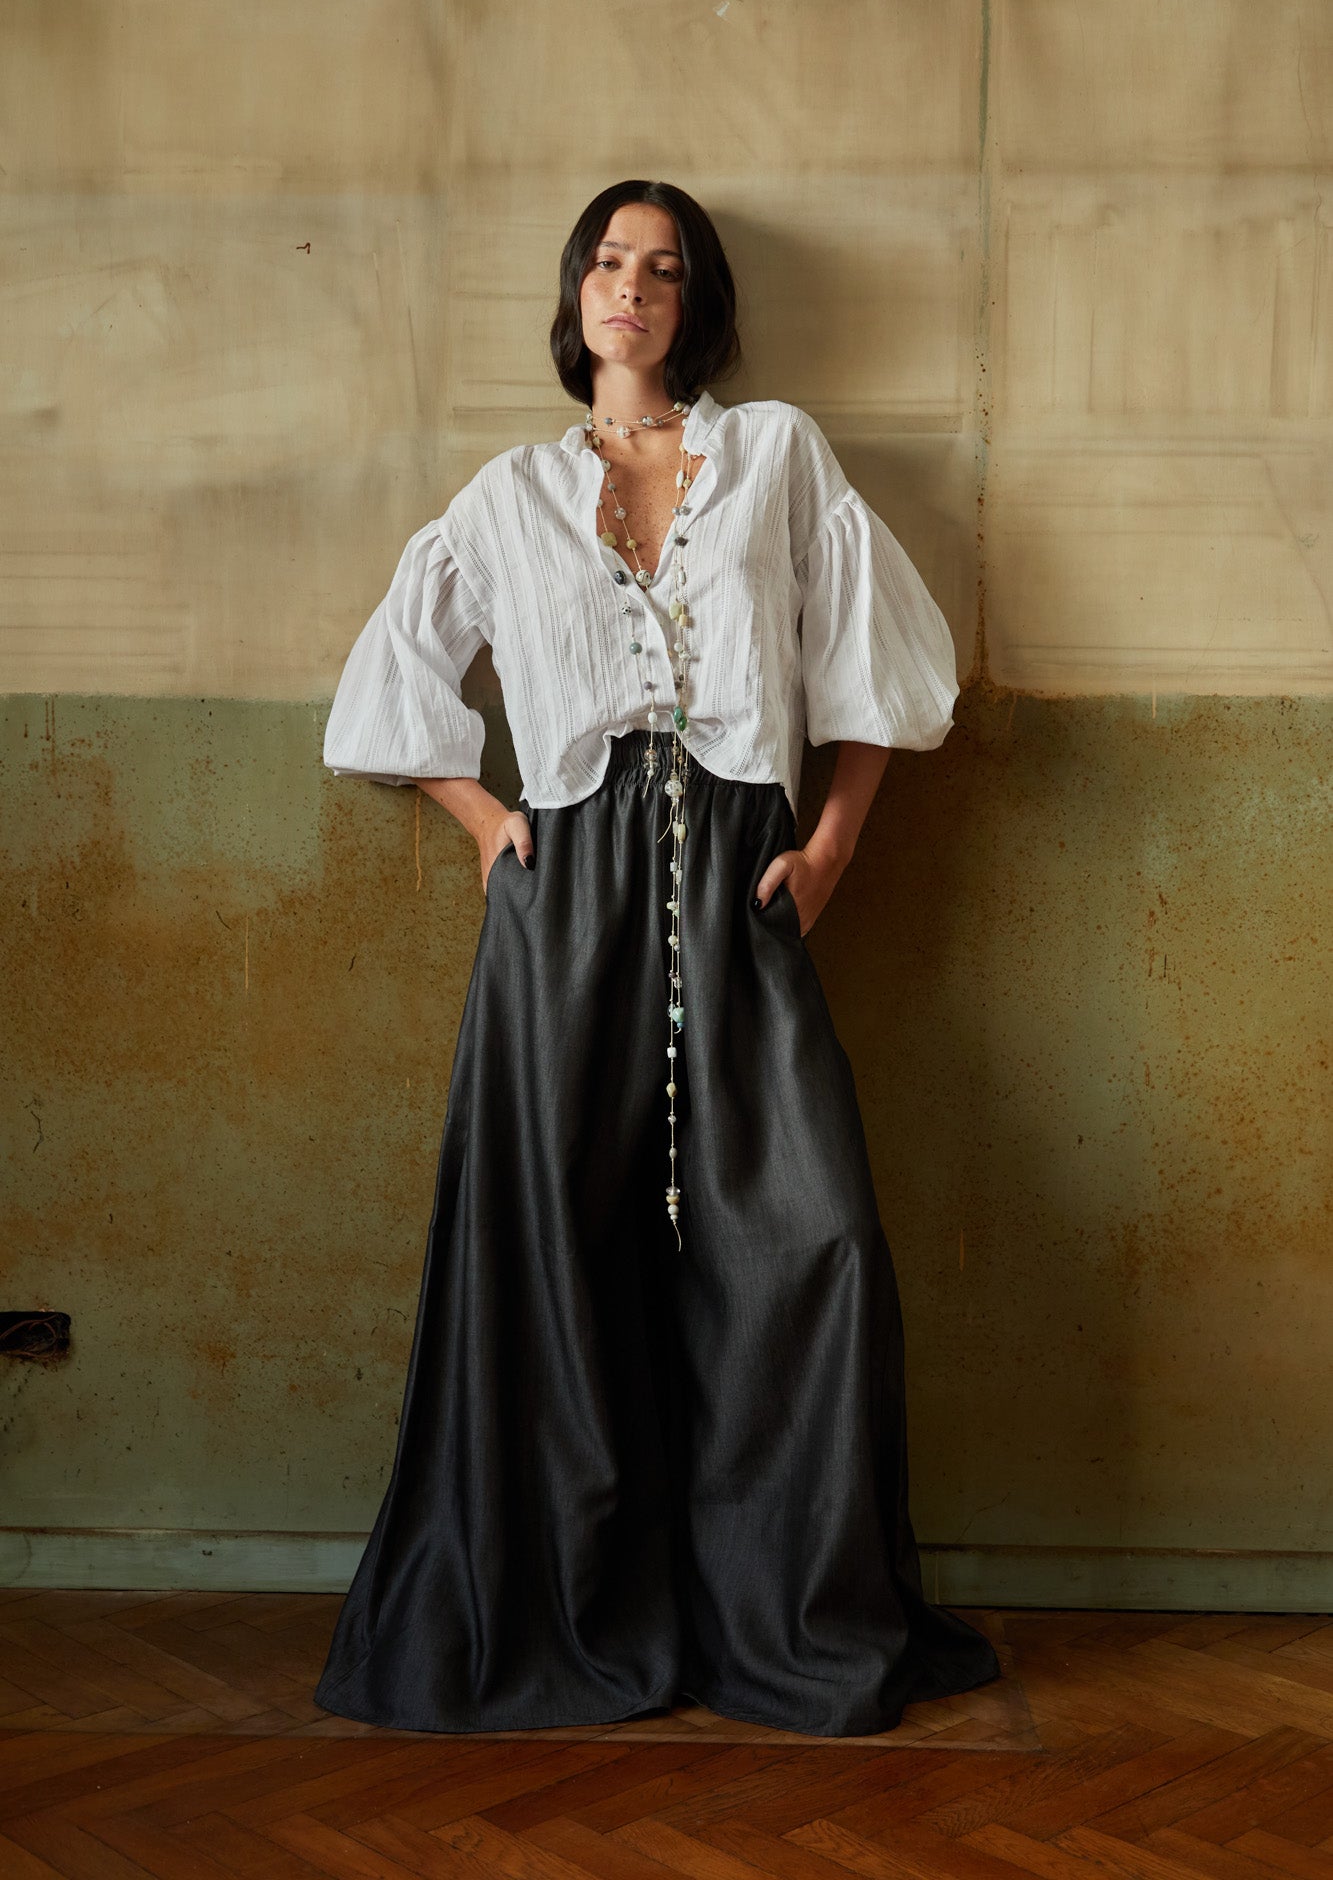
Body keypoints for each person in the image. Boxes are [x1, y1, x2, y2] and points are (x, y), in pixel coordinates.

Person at [313, 179, 1002, 1738]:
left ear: (695, 305)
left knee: (810, 1239)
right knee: (561, 1250)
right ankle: (581, 1606)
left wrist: (828, 850)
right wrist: (488, 820)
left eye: (664, 268)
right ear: (576, 293)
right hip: (565, 896)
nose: (631, 285)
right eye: (609, 261)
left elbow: (879, 666)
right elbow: (387, 687)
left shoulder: (775, 456)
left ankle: (778, 1612)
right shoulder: (506, 494)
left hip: (742, 874)